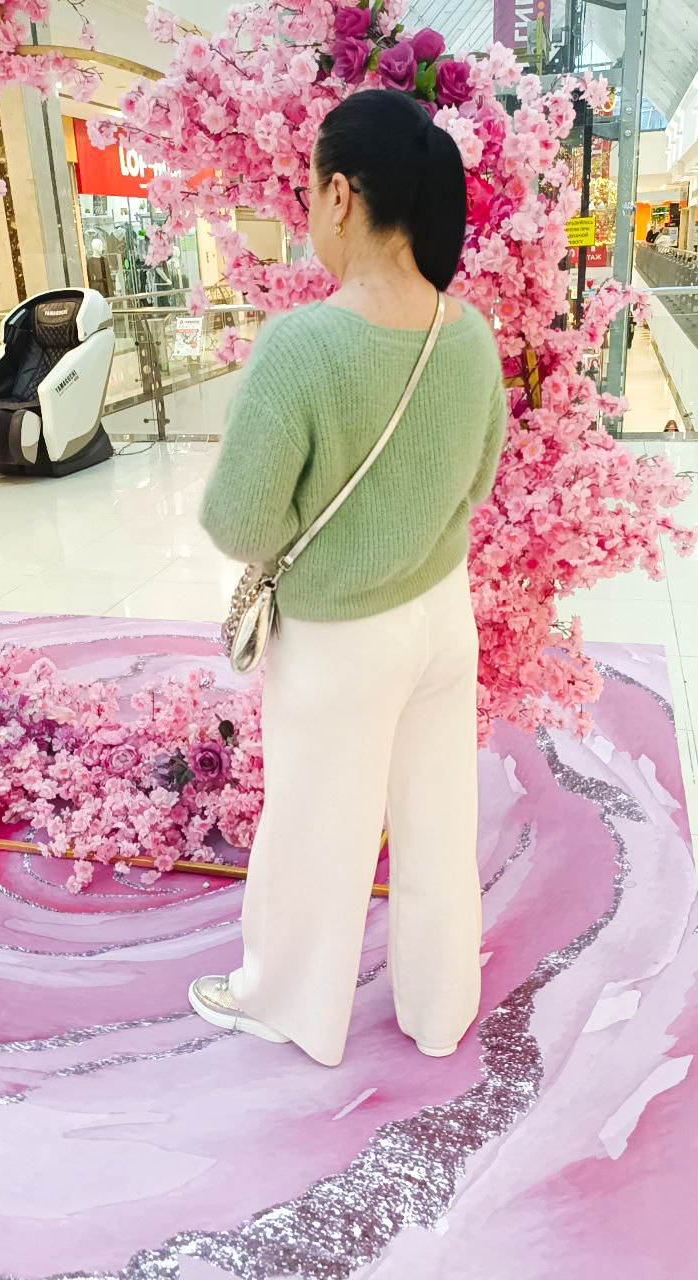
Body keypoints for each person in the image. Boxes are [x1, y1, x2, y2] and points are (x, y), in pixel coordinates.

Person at [192, 90, 507, 1067]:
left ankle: (291, 1004)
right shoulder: (470, 333)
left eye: (309, 191)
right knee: (438, 824)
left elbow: (240, 521)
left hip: (339, 638)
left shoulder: (302, 346)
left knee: (316, 834)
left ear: (341, 193)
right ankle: (440, 1009)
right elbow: (478, 480)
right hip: (442, 619)